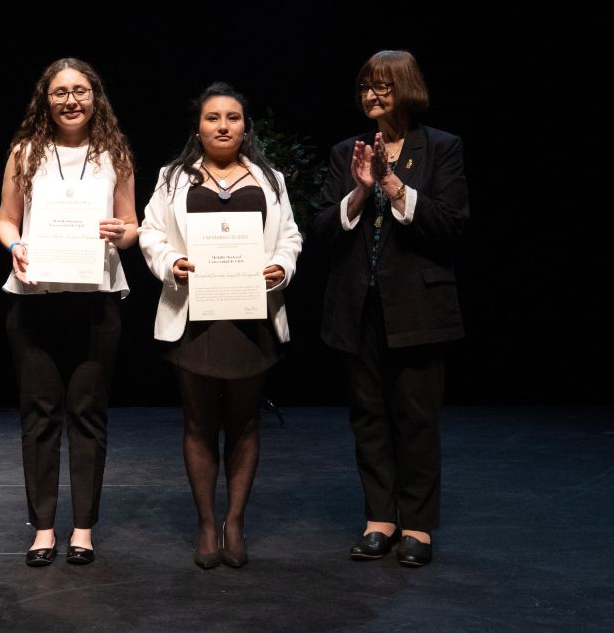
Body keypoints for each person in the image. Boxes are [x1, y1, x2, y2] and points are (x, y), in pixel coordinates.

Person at [313, 50, 469, 567]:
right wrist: (359, 192)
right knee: (369, 417)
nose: (371, 96)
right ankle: (379, 518)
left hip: (418, 309)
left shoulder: (441, 148)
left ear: (406, 88)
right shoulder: (346, 152)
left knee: (417, 418)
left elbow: (449, 224)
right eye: (365, 88)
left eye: (382, 86)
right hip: (358, 309)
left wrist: (392, 183)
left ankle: (418, 526)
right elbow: (322, 233)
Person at [138, 83, 302, 569]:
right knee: (198, 423)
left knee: (246, 422)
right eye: (213, 118)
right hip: (194, 319)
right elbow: (150, 233)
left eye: (233, 117)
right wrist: (172, 263)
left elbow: (290, 236)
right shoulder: (172, 178)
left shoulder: (270, 178)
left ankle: (236, 520)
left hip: (252, 318)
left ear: (245, 126)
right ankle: (207, 523)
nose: (223, 125)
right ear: (198, 127)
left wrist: (280, 266)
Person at [0, 58, 137, 567]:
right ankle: (43, 528)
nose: (70, 100)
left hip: (96, 301)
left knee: (88, 414)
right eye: (60, 92)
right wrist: (16, 247)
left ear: (95, 96)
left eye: (80, 90)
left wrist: (121, 234)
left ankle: (83, 528)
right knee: (39, 417)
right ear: (46, 99)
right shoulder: (24, 153)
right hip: (35, 301)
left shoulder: (113, 154)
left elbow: (132, 225)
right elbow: (6, 222)